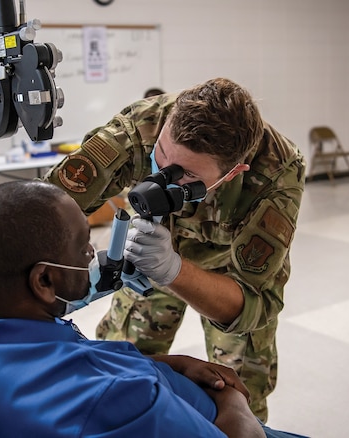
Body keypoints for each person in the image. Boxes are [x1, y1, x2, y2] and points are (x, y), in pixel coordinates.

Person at [0, 181, 305, 437]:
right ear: (43, 281)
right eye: (83, 248)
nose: (93, 255)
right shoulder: (110, 399)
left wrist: (169, 364)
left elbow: (73, 358)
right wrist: (234, 401)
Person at [43, 77, 305, 422]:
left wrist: (174, 270)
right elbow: (42, 213)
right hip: (146, 255)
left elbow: (253, 302)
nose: (163, 172)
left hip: (225, 273)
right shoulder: (140, 127)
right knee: (121, 371)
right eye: (161, 155)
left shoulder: (276, 172)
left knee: (240, 396)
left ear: (233, 173)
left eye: (184, 175)